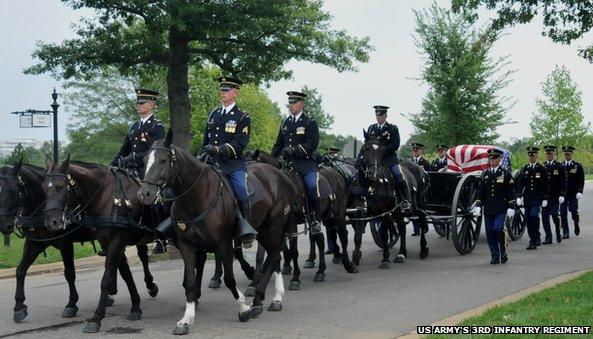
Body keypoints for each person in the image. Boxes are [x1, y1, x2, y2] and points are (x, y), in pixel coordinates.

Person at [202, 77, 257, 248]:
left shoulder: (242, 117)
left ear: (235, 93)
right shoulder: (214, 114)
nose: (223, 93)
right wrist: (205, 153)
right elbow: (206, 140)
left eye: (226, 90)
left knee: (241, 189)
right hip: (212, 163)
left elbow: (241, 143)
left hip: (232, 164)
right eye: (222, 90)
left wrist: (220, 150)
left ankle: (245, 228)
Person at [271, 91, 323, 234]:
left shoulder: (309, 122)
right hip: (288, 165)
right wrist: (270, 161)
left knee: (312, 186)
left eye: (293, 103)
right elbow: (278, 145)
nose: (290, 105)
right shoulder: (285, 122)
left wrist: (294, 150)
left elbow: (312, 144)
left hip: (306, 164)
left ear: (301, 104)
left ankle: (315, 219)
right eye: (290, 103)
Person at [364, 105, 411, 212]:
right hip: (374, 160)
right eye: (377, 115)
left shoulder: (392, 128)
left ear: (385, 116)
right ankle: (364, 199)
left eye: (380, 115)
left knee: (398, 174)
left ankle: (405, 200)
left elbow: (396, 144)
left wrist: (382, 150)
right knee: (365, 174)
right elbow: (368, 144)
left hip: (389, 159)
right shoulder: (371, 128)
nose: (378, 117)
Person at [111, 89, 165, 179]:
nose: (138, 105)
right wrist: (112, 165)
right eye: (138, 103)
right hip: (130, 168)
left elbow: (155, 151)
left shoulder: (157, 126)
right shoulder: (134, 126)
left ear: (151, 105)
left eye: (142, 103)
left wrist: (132, 158)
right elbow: (124, 150)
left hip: (147, 170)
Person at [473, 149, 515, 264]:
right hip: (489, 208)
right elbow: (480, 191)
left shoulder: (505, 174)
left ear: (499, 159)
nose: (491, 160)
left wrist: (512, 206)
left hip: (501, 208)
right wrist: (478, 204)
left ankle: (503, 251)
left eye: (494, 157)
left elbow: (511, 192)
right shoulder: (485, 174)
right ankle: (495, 255)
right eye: (490, 158)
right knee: (490, 232)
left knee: (498, 229)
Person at [515, 146, 549, 250]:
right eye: (530, 156)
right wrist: (519, 196)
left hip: (537, 197)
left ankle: (536, 237)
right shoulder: (525, 168)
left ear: (537, 156)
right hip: (528, 198)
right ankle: (532, 240)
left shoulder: (542, 168)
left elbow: (545, 184)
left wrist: (545, 198)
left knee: (534, 216)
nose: (531, 157)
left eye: (533, 155)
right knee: (528, 219)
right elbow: (520, 183)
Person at [541, 145, 566, 244]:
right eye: (547, 153)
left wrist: (562, 194)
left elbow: (563, 181)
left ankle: (558, 231)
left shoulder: (559, 166)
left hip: (555, 196)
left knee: (555, 214)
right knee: (544, 217)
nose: (549, 155)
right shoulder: (543, 166)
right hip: (545, 197)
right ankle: (548, 237)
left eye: (550, 153)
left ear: (554, 154)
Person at [560, 146, 585, 238]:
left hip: (574, 193)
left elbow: (581, 179)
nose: (567, 155)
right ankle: (566, 232)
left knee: (574, 211)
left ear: (572, 154)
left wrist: (580, 191)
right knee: (562, 212)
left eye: (569, 153)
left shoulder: (577, 166)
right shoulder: (561, 165)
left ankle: (576, 223)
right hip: (563, 194)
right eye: (565, 153)